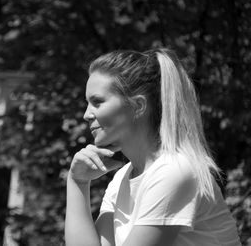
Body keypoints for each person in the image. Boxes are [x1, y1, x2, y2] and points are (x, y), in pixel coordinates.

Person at [65, 48, 241, 246]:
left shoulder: (174, 172)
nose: (86, 114)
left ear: (138, 106)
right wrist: (77, 181)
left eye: (97, 102)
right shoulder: (122, 178)